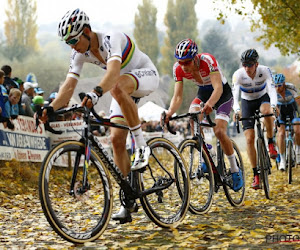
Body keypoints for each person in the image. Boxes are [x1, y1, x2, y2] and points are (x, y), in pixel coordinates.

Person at [41, 9, 159, 223]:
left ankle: (142, 146)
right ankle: (128, 200)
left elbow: (113, 72)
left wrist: (96, 92)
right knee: (116, 140)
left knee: (117, 87)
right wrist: (50, 109)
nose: (72, 46)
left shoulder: (111, 38)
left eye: (74, 40)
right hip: (122, 88)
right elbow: (69, 86)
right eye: (67, 42)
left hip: (145, 75)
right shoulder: (78, 53)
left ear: (87, 31)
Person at [163, 38, 243, 192]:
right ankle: (208, 153)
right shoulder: (178, 69)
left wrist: (210, 104)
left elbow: (218, 88)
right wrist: (169, 113)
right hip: (204, 93)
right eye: (180, 62)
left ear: (195, 58)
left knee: (219, 131)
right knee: (193, 117)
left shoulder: (207, 60)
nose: (183, 66)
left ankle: (234, 170)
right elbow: (178, 97)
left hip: (222, 94)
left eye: (187, 62)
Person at [232, 49, 278, 189]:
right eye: (244, 65)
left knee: (266, 111)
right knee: (249, 138)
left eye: (250, 65)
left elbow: (272, 90)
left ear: (256, 64)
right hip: (247, 102)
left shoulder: (265, 71)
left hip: (263, 98)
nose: (247, 68)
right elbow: (235, 95)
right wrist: (237, 110)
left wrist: (274, 105)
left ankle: (270, 142)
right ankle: (256, 174)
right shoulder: (238, 74)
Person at [273, 73, 300, 170]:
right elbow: (272, 105)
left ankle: (298, 150)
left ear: (284, 84)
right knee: (280, 134)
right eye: (275, 86)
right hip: (281, 111)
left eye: (279, 85)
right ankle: (283, 160)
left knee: (297, 130)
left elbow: (298, 101)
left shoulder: (291, 88)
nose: (277, 88)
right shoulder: (272, 90)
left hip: (292, 109)